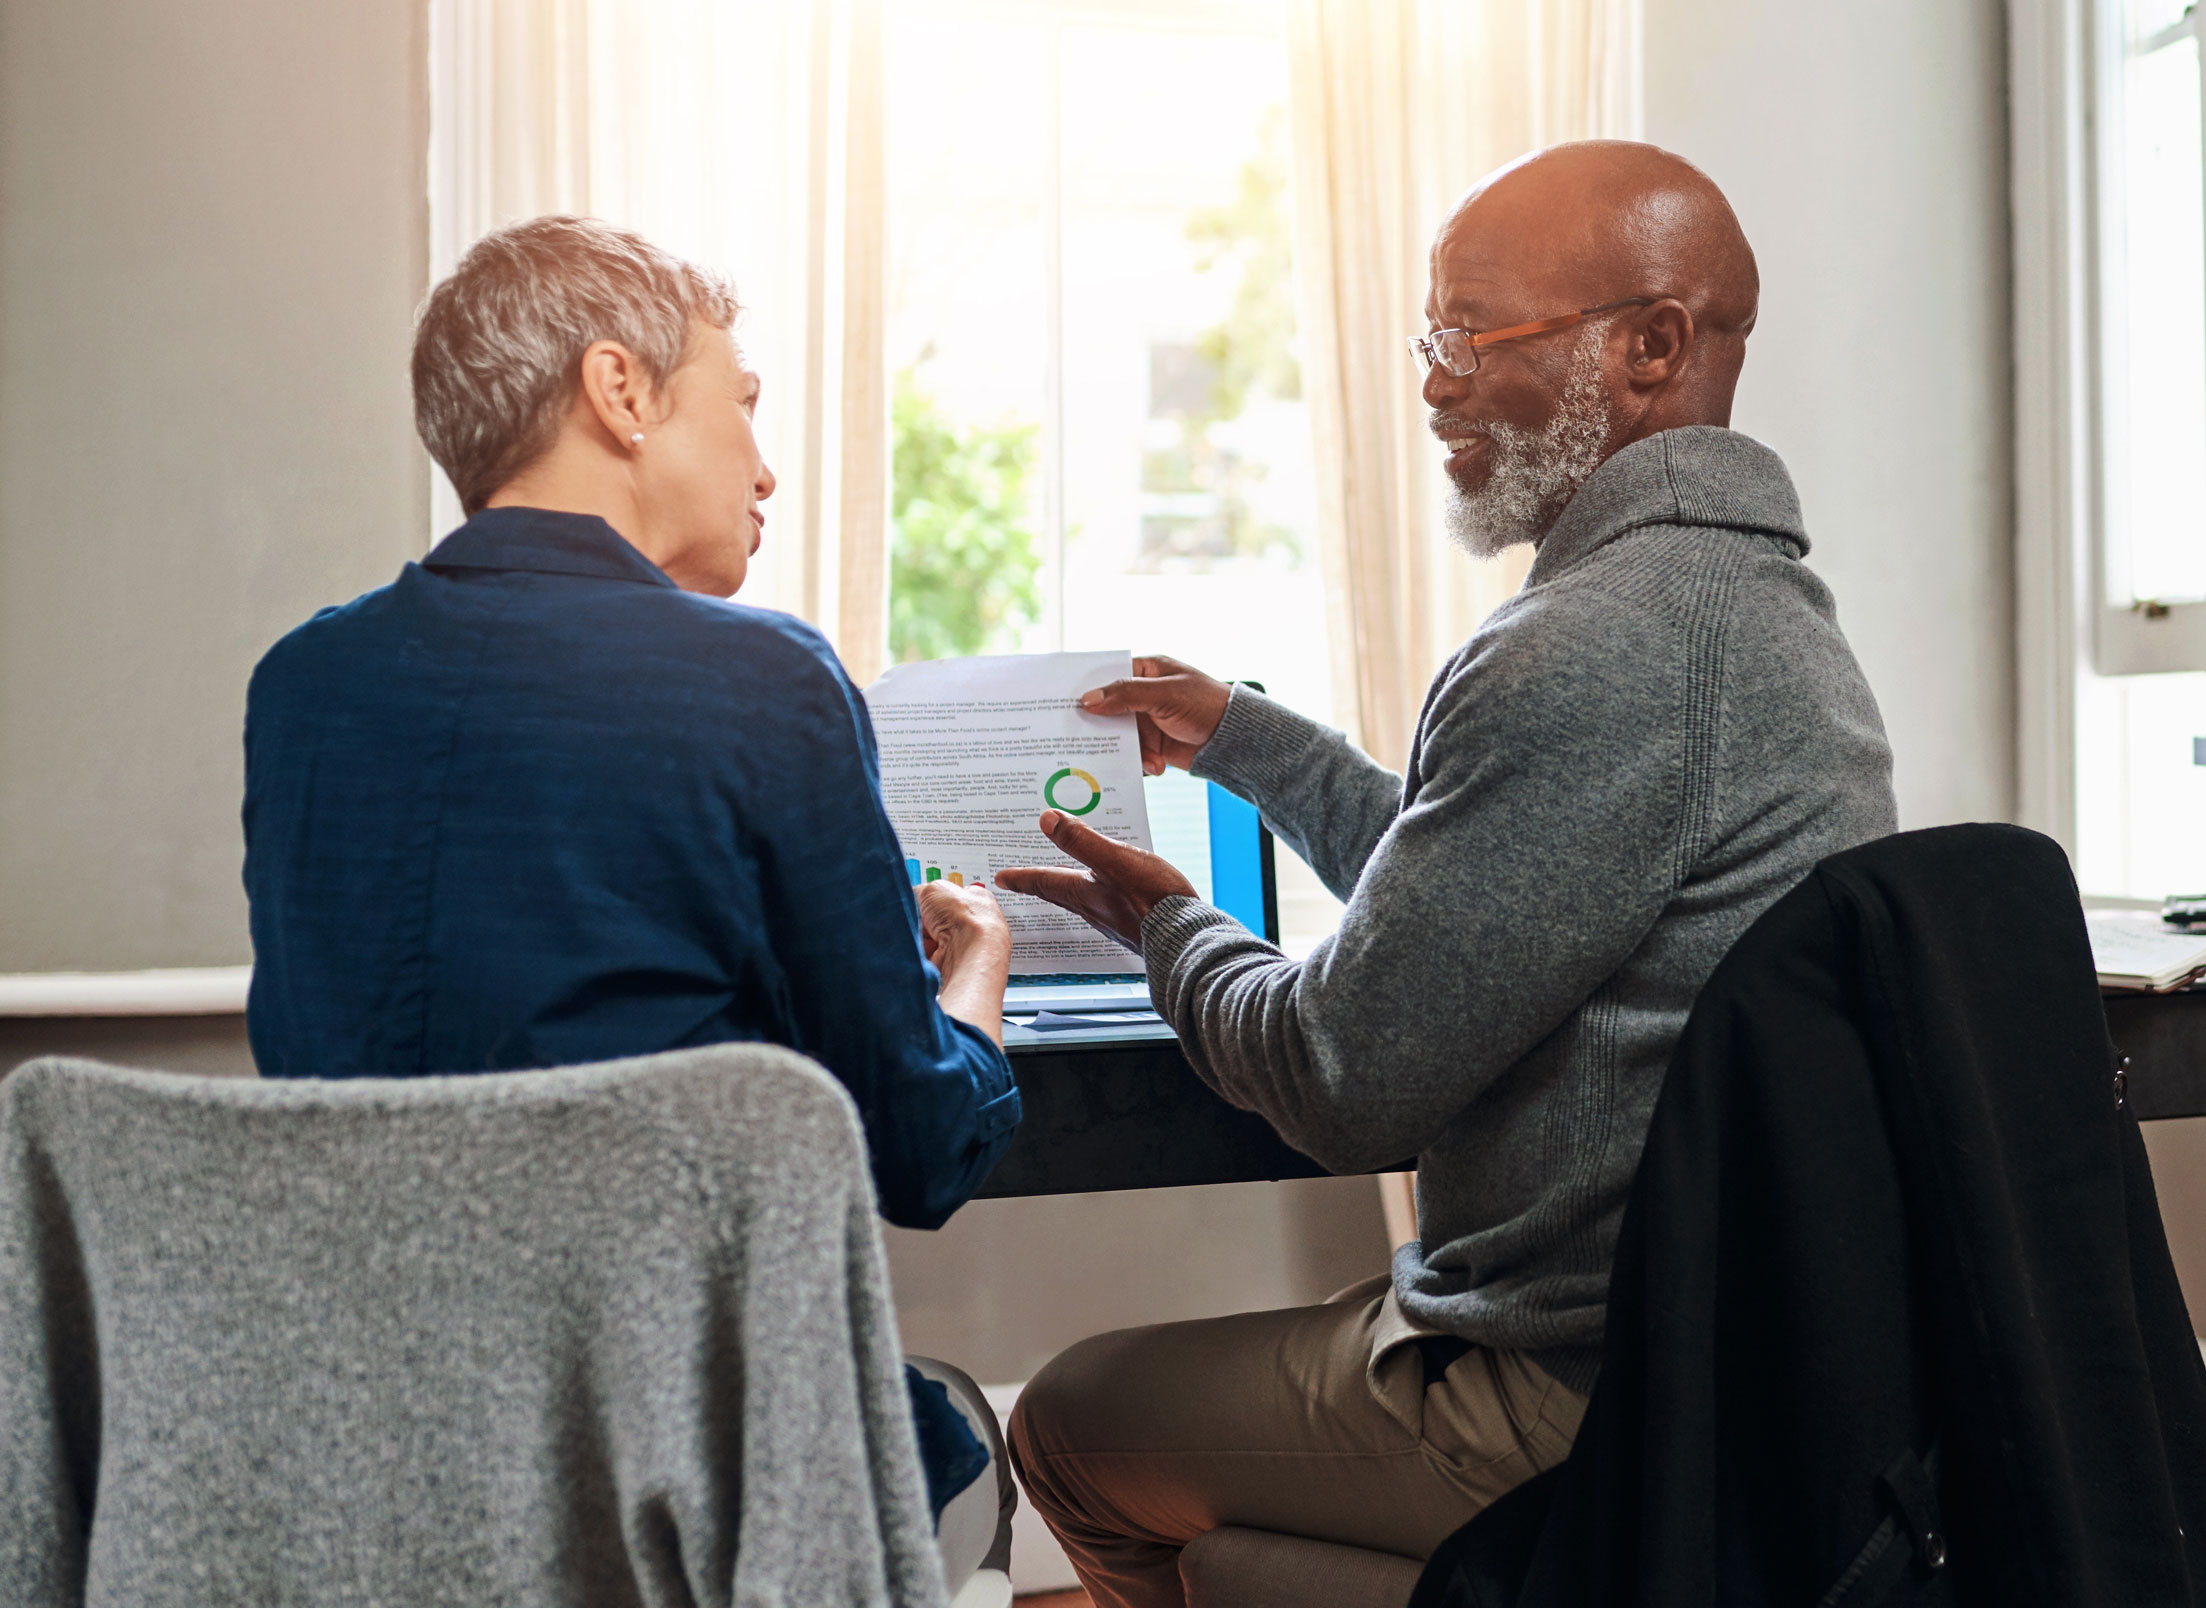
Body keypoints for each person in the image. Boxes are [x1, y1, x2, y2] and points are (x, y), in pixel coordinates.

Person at [993, 140, 1900, 1607]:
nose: (1433, 382)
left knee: (1069, 1423)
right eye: (1435, 338)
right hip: (1738, 1360)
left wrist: (1166, 927)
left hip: (1573, 1390)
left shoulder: (1590, 644)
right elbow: (1490, 899)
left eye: (1471, 336)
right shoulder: (1759, 612)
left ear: (1650, 346)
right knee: (1231, 1527)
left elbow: (1335, 1076)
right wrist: (1249, 742)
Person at [240, 216, 1018, 1597]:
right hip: (676, 1453)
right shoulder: (764, 678)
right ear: (620, 392)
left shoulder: (303, 683)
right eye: (745, 406)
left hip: (373, 1436)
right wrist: (977, 977)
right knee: (942, 1438)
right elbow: (913, 1152)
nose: (767, 468)